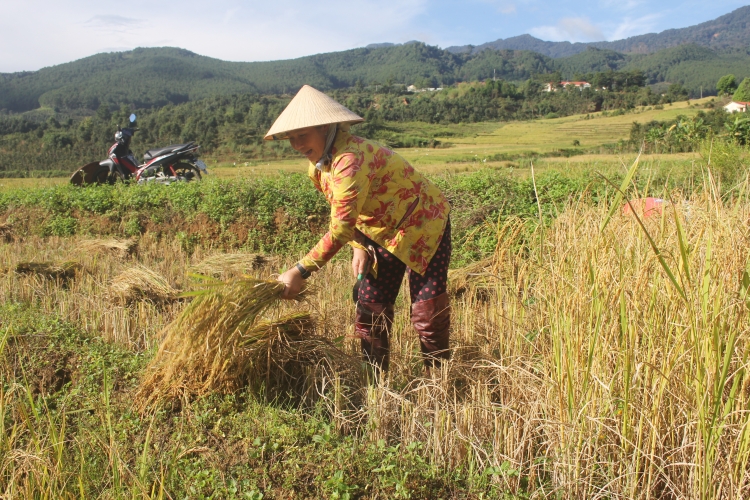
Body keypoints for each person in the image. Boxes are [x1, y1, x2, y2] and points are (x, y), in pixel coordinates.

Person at [267, 85, 451, 375]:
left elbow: (339, 228)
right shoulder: (319, 168)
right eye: (291, 138)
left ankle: (438, 378)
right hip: (379, 231)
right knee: (370, 308)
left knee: (426, 310)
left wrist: (300, 270)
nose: (297, 144)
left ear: (326, 126)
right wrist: (359, 246)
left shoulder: (350, 159)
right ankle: (373, 380)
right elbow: (347, 214)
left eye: (303, 135)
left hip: (422, 223)